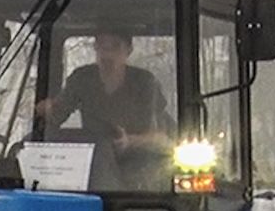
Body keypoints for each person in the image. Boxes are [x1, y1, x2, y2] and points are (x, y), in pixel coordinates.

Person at [38, 30, 175, 158]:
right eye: (101, 47)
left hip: (140, 163)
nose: (107, 54)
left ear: (128, 50)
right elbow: (56, 116)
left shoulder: (144, 82)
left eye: (115, 47)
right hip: (95, 159)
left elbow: (160, 138)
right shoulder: (82, 78)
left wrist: (130, 141)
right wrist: (47, 109)